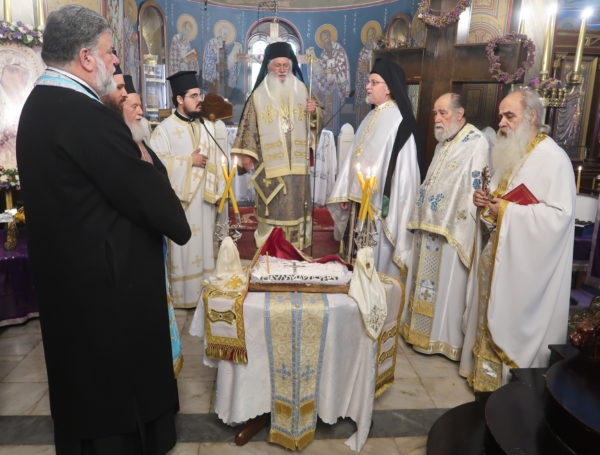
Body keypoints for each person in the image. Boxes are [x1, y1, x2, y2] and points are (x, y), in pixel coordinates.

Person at [16, 5, 191, 454]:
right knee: (113, 395)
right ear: (85, 57)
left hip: (72, 283)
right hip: (108, 288)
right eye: (110, 52)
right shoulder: (87, 116)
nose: (116, 62)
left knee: (83, 384)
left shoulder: (39, 105)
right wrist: (134, 137)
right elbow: (159, 205)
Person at [460, 89, 575, 391]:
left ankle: (509, 386)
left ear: (532, 116)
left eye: (509, 116)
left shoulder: (553, 158)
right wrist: (485, 204)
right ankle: (483, 378)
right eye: (501, 116)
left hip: (526, 268)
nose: (501, 122)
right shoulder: (512, 152)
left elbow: (559, 218)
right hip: (499, 257)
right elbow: (496, 205)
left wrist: (508, 211)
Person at [400, 93, 490, 361]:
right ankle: (417, 334)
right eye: (435, 114)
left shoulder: (476, 141)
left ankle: (441, 340)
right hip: (429, 224)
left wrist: (460, 220)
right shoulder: (443, 142)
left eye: (443, 113)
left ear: (459, 114)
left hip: (453, 228)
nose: (437, 119)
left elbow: (477, 185)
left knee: (446, 288)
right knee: (423, 283)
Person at [328, 57, 423, 281]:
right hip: (358, 204)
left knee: (373, 265)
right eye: (368, 82)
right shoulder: (371, 115)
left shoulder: (401, 122)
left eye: (374, 82)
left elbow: (405, 173)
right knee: (354, 261)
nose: (367, 87)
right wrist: (347, 191)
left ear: (389, 88)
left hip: (379, 208)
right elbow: (354, 157)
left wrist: (391, 205)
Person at [231, 41, 321, 250]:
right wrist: (247, 156)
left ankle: (296, 252)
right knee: (273, 212)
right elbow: (248, 127)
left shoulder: (303, 90)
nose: (282, 70)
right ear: (268, 67)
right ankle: (270, 252)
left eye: (286, 65)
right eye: (277, 65)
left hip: (298, 171)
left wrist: (314, 111)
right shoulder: (258, 96)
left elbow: (317, 120)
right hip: (271, 170)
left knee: (296, 212)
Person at [122, 74, 183, 374]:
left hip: (155, 240)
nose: (141, 112)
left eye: (140, 106)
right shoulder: (122, 148)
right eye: (133, 106)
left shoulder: (142, 143)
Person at [150, 70, 225, 308]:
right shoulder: (164, 130)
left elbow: (218, 160)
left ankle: (205, 293)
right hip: (182, 203)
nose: (199, 100)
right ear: (180, 99)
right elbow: (155, 167)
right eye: (193, 96)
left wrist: (219, 190)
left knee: (205, 248)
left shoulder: (207, 127)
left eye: (199, 95)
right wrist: (187, 161)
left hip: (205, 200)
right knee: (185, 249)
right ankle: (184, 297)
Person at [311, 25, 350, 135]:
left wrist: (332, 71)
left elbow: (343, 67)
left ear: (330, 37)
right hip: (327, 88)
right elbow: (321, 72)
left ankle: (335, 135)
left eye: (326, 38)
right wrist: (315, 66)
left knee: (335, 112)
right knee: (327, 112)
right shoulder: (323, 54)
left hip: (337, 87)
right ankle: (328, 135)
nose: (325, 41)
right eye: (323, 40)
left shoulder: (339, 50)